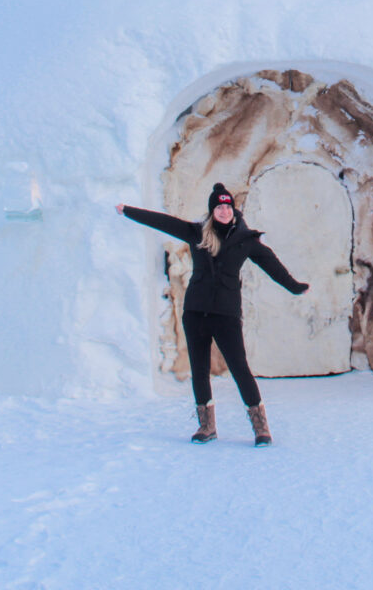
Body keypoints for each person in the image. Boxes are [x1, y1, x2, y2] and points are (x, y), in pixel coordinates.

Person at [116, 183, 308, 446]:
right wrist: (128, 211)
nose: (224, 211)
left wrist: (294, 286)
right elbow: (163, 222)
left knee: (240, 369)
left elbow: (270, 263)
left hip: (226, 314)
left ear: (233, 210)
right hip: (195, 312)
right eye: (218, 207)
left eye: (227, 206)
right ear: (211, 210)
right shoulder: (197, 233)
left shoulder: (245, 240)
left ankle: (261, 428)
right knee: (199, 370)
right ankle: (206, 427)